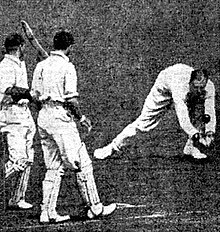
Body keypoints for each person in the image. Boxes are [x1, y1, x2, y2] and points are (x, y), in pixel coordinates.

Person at [31, 30, 116, 224]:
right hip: (61, 119)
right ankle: (95, 207)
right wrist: (82, 118)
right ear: (70, 47)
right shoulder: (68, 67)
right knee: (82, 163)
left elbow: (34, 96)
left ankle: (48, 213)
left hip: (43, 117)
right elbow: (72, 100)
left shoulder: (41, 66)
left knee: (53, 166)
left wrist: (47, 110)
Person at [94, 63, 216, 160]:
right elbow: (183, 118)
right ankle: (111, 147)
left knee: (199, 115)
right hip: (164, 87)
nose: (200, 90)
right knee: (143, 124)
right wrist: (197, 135)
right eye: (196, 87)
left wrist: (210, 133)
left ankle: (191, 148)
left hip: (182, 85)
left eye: (202, 87)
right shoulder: (179, 87)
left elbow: (209, 111)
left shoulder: (209, 88)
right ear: (189, 83)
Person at [0, 33, 36, 209]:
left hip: (24, 114)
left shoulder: (19, 64)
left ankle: (17, 198)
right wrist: (29, 93)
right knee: (19, 160)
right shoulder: (6, 65)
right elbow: (8, 90)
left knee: (29, 157)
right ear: (21, 47)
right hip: (12, 116)